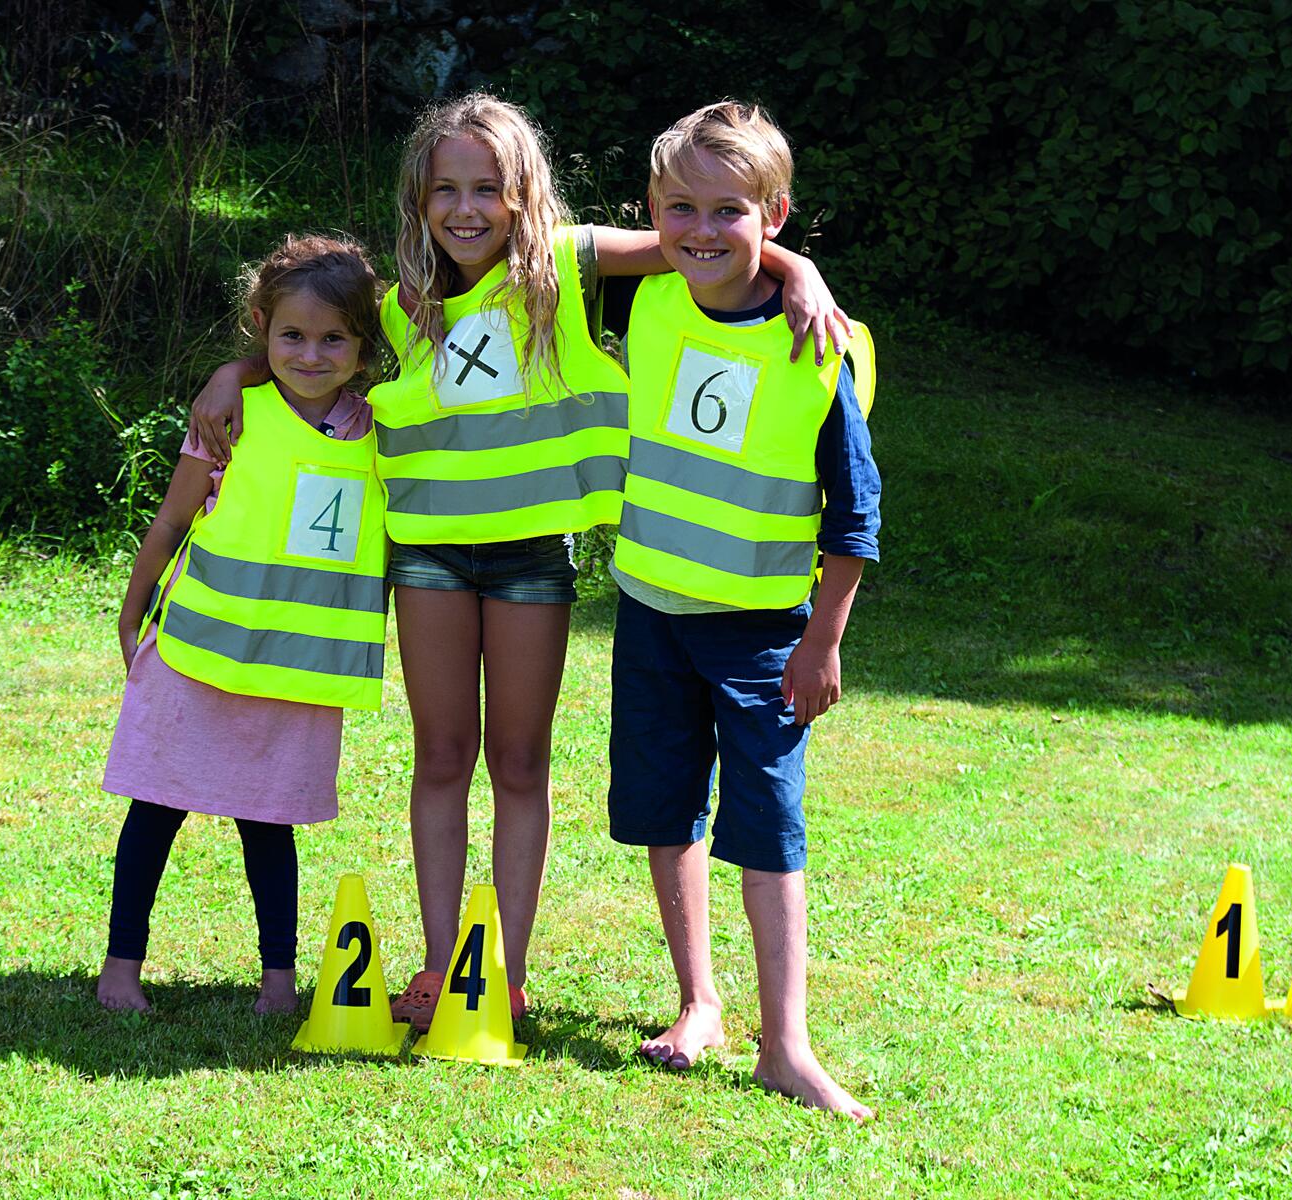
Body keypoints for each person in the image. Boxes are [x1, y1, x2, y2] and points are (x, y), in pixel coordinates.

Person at [187, 94, 848, 1032]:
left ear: (522, 192)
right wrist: (231, 372)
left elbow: (694, 243)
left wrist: (800, 268)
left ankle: (502, 970)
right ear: (419, 199)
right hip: (428, 559)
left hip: (532, 560)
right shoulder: (398, 304)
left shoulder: (567, 268)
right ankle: (438, 963)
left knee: (519, 763)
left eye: (486, 188)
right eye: (445, 189)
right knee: (441, 757)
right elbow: (307, 341)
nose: (466, 209)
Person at [604, 101, 881, 1119]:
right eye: (678, 207)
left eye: (729, 211)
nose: (701, 230)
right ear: (650, 212)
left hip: (762, 634)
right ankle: (699, 1005)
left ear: (774, 213)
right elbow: (535, 246)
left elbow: (854, 515)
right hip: (647, 613)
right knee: (664, 808)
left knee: (765, 821)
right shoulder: (646, 300)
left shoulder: (817, 344)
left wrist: (822, 642)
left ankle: (785, 1044)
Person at [96, 235, 388, 1016]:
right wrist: (132, 612)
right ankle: (120, 969)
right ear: (261, 327)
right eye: (292, 335)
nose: (311, 355)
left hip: (294, 677)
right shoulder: (231, 416)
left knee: (269, 826)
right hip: (195, 653)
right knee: (154, 810)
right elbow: (170, 521)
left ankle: (277, 982)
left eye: (334, 339)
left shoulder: (387, 434)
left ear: (363, 344)